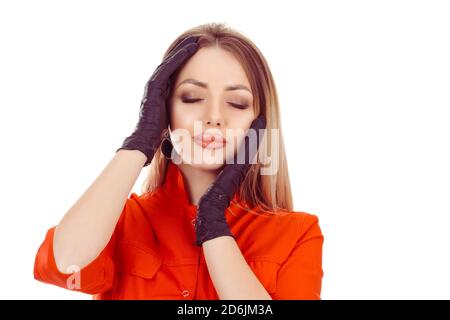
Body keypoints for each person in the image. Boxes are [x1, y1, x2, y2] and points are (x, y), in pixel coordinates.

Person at [33, 22, 324, 300]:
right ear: (162, 111)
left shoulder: (298, 234)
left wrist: (212, 220)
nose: (214, 116)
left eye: (236, 103)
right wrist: (140, 143)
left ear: (260, 121)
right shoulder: (119, 220)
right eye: (191, 97)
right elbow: (65, 265)